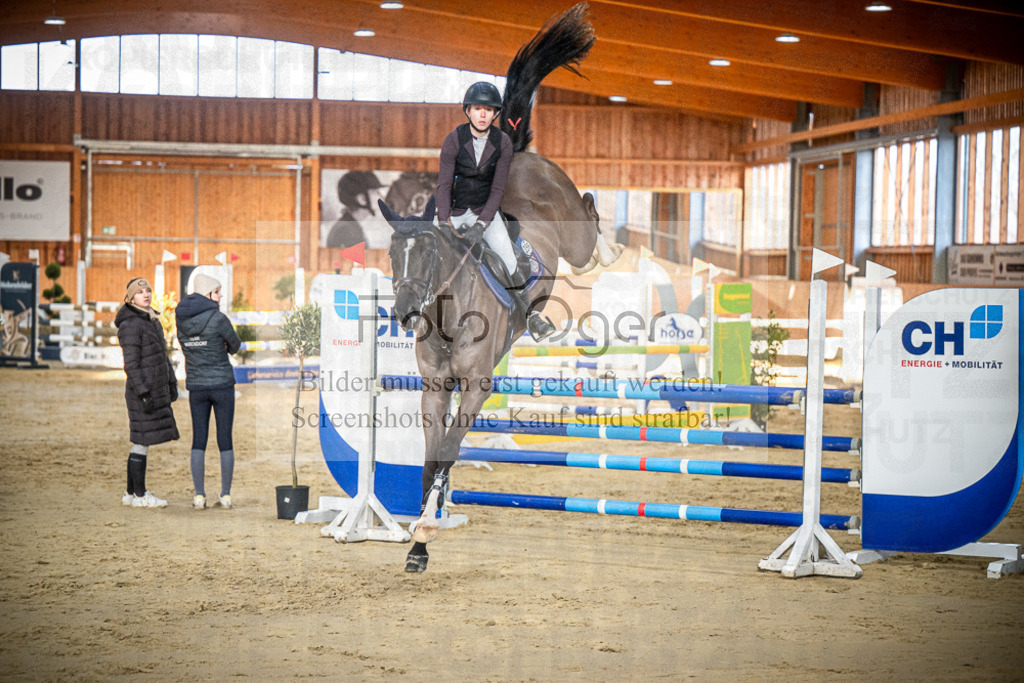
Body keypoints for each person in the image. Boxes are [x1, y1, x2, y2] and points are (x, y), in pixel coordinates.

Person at [435, 81, 555, 341]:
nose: (482, 114)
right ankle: (415, 308)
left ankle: (531, 317)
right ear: (468, 111)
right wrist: (445, 221)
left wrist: (481, 225)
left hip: (485, 213)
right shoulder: (454, 139)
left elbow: (498, 189)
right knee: (427, 250)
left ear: (495, 114)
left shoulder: (502, 143)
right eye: (477, 108)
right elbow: (444, 184)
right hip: (453, 211)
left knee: (508, 259)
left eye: (488, 110)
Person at [176, 274, 241, 510]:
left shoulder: (180, 319)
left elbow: (185, 346)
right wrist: (220, 345)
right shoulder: (218, 318)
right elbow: (235, 345)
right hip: (222, 384)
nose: (220, 295)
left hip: (197, 385)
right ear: (208, 295)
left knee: (198, 439)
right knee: (225, 438)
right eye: (217, 291)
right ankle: (225, 495)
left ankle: (199, 495)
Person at [115, 277, 179, 508]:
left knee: (141, 441)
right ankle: (140, 496)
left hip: (153, 389)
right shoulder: (131, 325)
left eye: (148, 290)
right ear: (131, 297)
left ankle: (131, 493)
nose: (146, 294)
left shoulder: (151, 320)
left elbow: (162, 357)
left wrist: (171, 382)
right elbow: (131, 365)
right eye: (140, 292)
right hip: (141, 392)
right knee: (141, 441)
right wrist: (143, 393)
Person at [324, 170, 388, 249]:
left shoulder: (350, 226)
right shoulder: (346, 231)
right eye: (376, 192)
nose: (382, 196)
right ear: (362, 199)